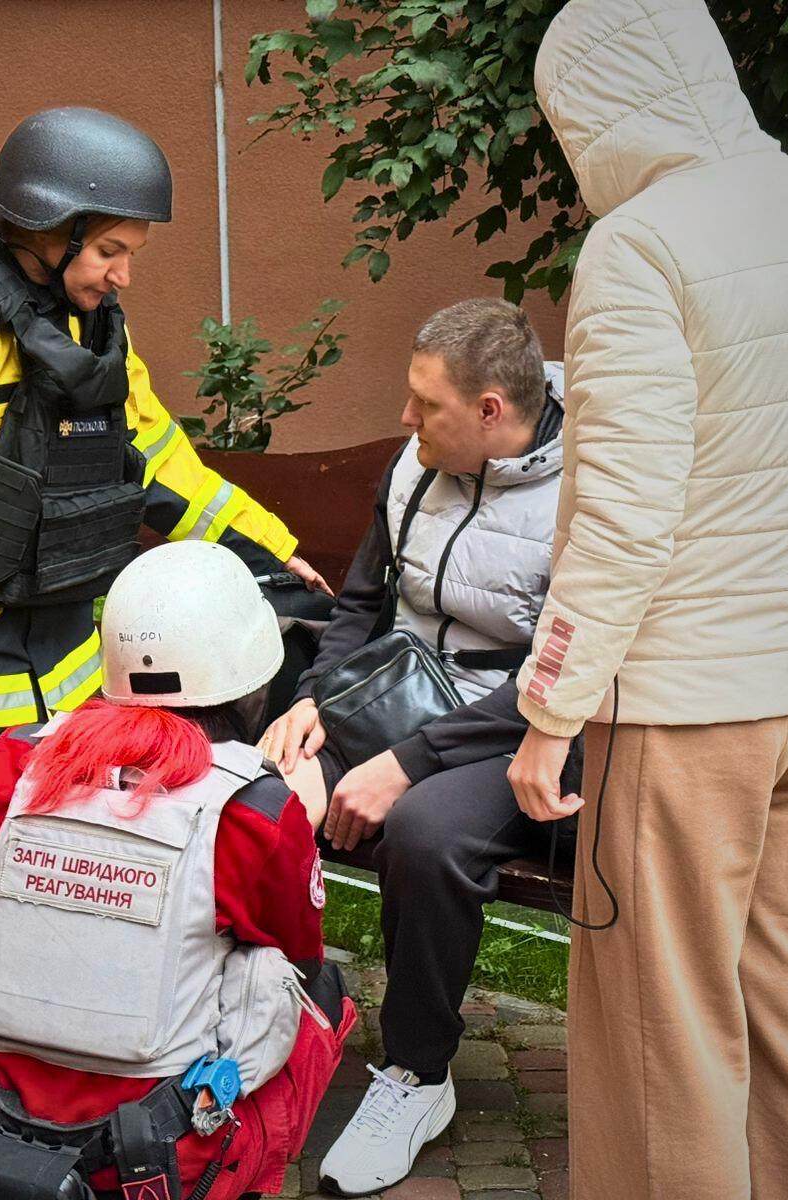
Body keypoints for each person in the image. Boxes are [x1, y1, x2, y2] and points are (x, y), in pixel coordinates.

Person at [504, 3, 788, 1198]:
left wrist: (548, 714)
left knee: (665, 1043)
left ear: (591, 109)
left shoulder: (638, 246)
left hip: (679, 713)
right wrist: (764, 517)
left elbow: (625, 516)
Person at [0, 106, 327, 1056]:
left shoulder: (92, 327)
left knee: (51, 870)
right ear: (47, 227)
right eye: (109, 250)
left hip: (55, 662)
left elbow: (161, 463)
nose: (123, 275)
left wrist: (271, 549)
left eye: (129, 253)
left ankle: (31, 1053)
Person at [0, 540, 355, 1200]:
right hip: (157, 1153)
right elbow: (296, 954)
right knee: (320, 995)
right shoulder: (255, 809)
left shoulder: (21, 763)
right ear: (256, 681)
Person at [259, 298, 576, 1194]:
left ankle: (417, 1073)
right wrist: (313, 701)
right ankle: (264, 1016)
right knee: (265, 791)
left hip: (524, 728)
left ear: (490, 411)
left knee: (427, 833)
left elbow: (567, 671)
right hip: (400, 694)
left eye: (425, 404)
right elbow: (363, 602)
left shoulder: (588, 494)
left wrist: (405, 766)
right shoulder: (417, 464)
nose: (405, 419)